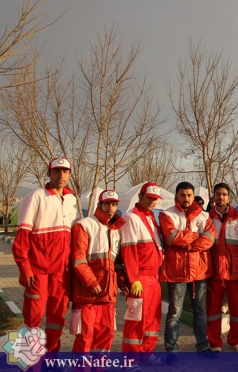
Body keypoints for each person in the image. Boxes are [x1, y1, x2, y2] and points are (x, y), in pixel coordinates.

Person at [12, 157, 78, 355]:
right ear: (48, 173)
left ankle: (51, 357)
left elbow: (75, 238)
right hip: (38, 270)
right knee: (33, 317)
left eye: (65, 171)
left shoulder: (72, 200)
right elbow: (22, 238)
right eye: (57, 171)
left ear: (69, 175)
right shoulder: (35, 197)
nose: (61, 175)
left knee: (57, 317)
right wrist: (25, 268)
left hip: (62, 272)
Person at [159, 182, 215, 364]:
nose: (186, 198)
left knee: (201, 310)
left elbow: (209, 240)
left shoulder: (204, 215)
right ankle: (172, 350)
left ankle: (202, 345)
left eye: (189, 195)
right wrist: (195, 237)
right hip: (177, 270)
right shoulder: (167, 214)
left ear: (193, 196)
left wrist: (185, 240)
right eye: (182, 195)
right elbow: (170, 237)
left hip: (199, 270)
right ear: (177, 196)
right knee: (175, 312)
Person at [70, 189, 126, 353]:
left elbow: (116, 263)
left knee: (105, 336)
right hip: (87, 293)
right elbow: (78, 260)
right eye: (107, 204)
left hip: (108, 295)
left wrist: (122, 282)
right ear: (100, 204)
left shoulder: (116, 230)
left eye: (114, 204)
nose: (111, 207)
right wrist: (91, 282)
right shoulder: (85, 225)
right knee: (85, 337)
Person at [119, 182, 164, 367]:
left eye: (155, 199)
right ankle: (129, 361)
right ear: (140, 196)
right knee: (136, 321)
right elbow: (128, 252)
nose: (152, 202)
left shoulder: (151, 218)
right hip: (141, 278)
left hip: (154, 278)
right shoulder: (131, 218)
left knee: (152, 320)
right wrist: (133, 279)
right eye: (149, 198)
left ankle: (146, 353)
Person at [207, 183, 238, 352]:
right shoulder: (206, 218)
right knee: (213, 311)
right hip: (214, 273)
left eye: (224, 194)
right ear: (213, 196)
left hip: (235, 273)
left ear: (229, 197)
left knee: (235, 310)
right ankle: (214, 343)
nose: (221, 197)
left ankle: (235, 340)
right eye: (218, 194)